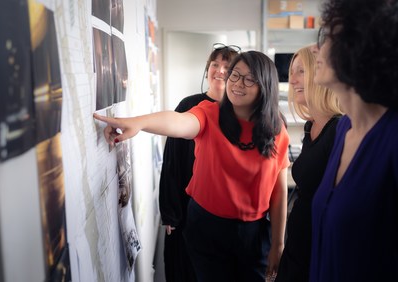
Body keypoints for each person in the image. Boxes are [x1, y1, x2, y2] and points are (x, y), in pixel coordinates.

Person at [93, 50, 290, 282]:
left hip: (253, 232)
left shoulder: (276, 129)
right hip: (207, 226)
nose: (238, 84)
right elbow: (177, 122)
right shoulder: (209, 113)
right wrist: (138, 123)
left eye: (249, 79)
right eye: (235, 75)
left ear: (265, 86)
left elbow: (279, 192)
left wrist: (278, 244)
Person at [309, 0, 398, 281]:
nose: (316, 49)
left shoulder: (392, 138)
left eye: (328, 38)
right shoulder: (345, 128)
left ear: (360, 46)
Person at [159, 43, 239, 282]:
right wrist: (170, 212)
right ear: (207, 70)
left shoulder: (242, 113)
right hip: (186, 208)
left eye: (227, 66)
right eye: (215, 64)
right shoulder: (189, 106)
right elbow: (171, 161)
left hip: (227, 217)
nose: (220, 70)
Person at [275, 46, 343, 282]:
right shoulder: (311, 126)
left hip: (319, 252)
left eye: (301, 71)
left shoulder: (339, 130)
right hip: (300, 244)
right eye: (292, 72)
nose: (292, 80)